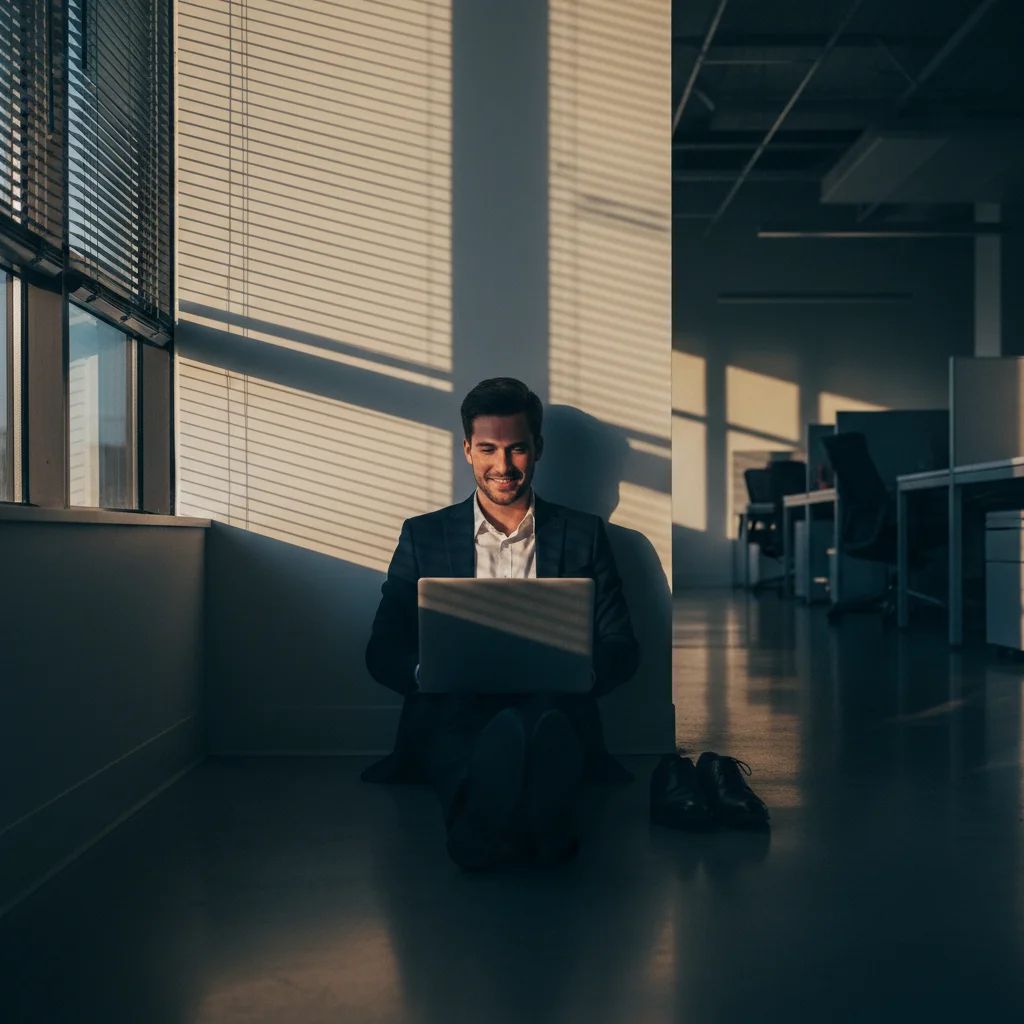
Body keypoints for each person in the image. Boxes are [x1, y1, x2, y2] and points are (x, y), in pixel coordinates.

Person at [363, 377, 641, 870]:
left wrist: (584, 673)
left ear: (538, 448)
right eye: (488, 448)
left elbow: (621, 644)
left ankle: (482, 835)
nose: (503, 465)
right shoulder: (423, 535)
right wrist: (427, 674)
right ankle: (542, 833)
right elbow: (383, 649)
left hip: (553, 699)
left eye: (517, 448)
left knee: (544, 726)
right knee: (465, 729)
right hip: (455, 701)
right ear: (467, 449)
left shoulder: (584, 535)